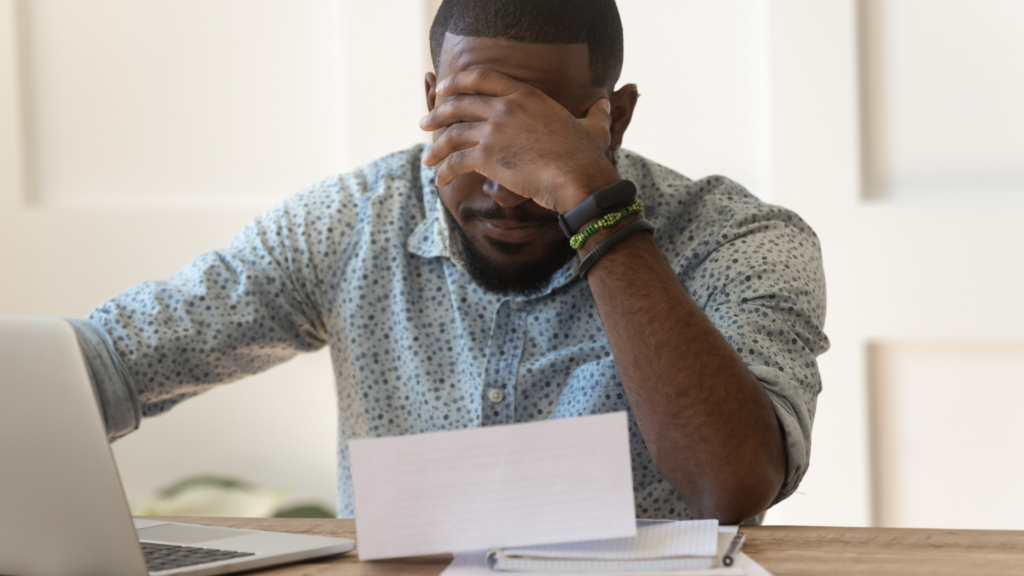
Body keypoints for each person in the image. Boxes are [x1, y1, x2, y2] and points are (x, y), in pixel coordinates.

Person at [71, 0, 829, 525]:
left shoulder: (740, 242)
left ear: (615, 118)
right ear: (432, 98)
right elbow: (107, 364)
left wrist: (595, 204)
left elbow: (728, 483)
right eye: (469, 126)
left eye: (540, 140)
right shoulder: (351, 222)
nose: (503, 187)